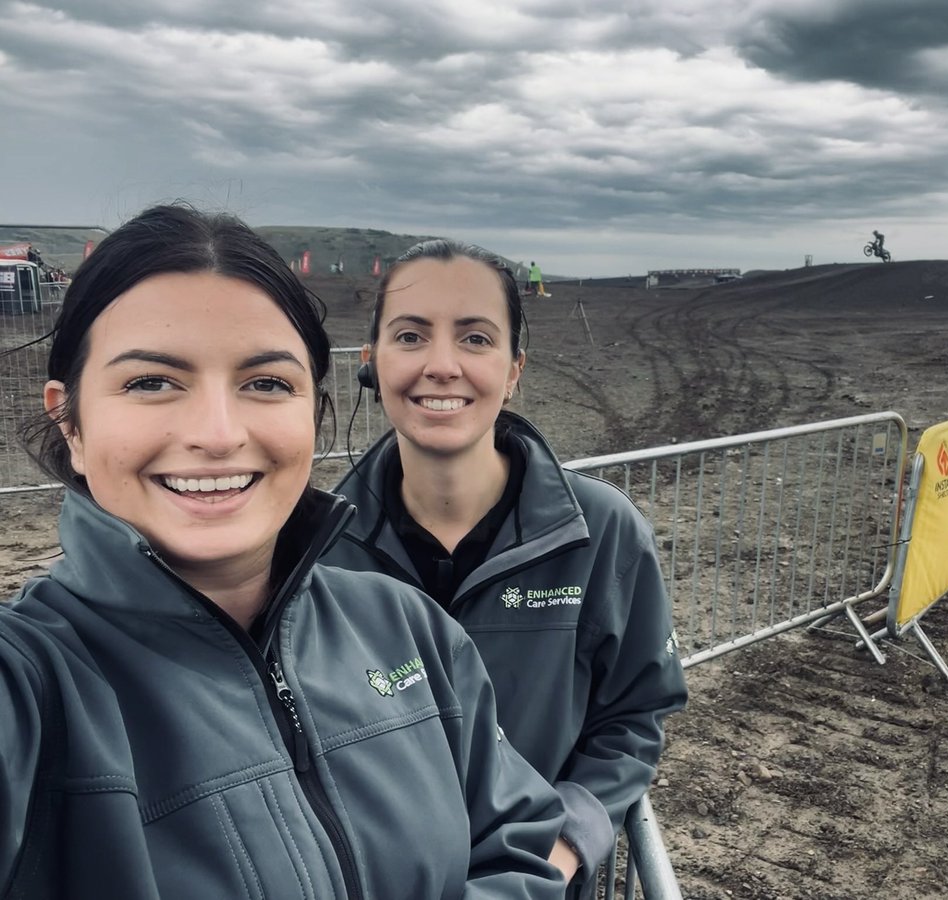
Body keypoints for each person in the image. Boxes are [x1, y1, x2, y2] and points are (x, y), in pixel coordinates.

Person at [0, 205, 568, 898]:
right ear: (72, 422)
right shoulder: (31, 686)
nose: (217, 433)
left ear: (314, 415)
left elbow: (518, 847)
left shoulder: (409, 631)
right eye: (151, 382)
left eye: (266, 383)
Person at [325, 239, 688, 894]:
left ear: (514, 367)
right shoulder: (315, 548)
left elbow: (635, 716)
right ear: (372, 362)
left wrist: (569, 835)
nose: (441, 365)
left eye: (475, 338)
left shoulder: (601, 533)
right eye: (410, 336)